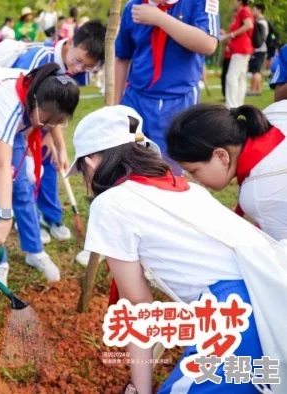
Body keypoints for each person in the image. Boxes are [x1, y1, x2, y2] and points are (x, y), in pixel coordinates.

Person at [68, 105, 269, 394]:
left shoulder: (110, 204)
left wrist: (141, 389)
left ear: (91, 161)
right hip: (265, 297)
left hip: (233, 314)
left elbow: (139, 307)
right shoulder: (186, 188)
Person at [0, 63, 79, 290]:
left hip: (13, 127)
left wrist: (60, 146)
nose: (49, 126)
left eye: (55, 123)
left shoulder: (43, 95)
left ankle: (35, 251)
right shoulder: (11, 103)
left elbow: (52, 117)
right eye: (46, 121)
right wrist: (5, 218)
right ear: (34, 102)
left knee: (22, 189)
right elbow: (3, 166)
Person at [11, 21, 105, 251]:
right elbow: (18, 101)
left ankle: (51, 216)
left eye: (89, 66)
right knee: (25, 171)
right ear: (71, 43)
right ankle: (29, 218)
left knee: (50, 162)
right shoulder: (37, 58)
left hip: (44, 119)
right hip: (17, 120)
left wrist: (55, 141)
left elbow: (62, 104)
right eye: (79, 60)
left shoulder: (79, 70)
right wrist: (35, 134)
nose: (80, 68)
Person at [114, 0, 219, 165]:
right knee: (129, 161)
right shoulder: (133, 7)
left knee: (169, 167)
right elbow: (122, 57)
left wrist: (159, 18)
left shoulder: (199, 2)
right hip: (136, 100)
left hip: (178, 102)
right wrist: (116, 105)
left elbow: (208, 44)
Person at [167, 102, 287, 241]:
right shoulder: (276, 112)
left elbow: (282, 257)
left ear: (221, 156)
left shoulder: (259, 195)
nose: (195, 180)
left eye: (193, 171)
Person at [221, 0, 254, 108]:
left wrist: (232, 35)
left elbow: (249, 25)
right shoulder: (242, 12)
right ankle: (238, 103)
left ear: (240, 1)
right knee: (240, 77)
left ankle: (231, 104)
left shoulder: (244, 11)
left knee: (231, 76)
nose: (233, 3)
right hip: (242, 48)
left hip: (241, 49)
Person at [247, 3, 268, 96]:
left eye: (254, 9)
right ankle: (258, 90)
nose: (252, 11)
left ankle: (253, 90)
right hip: (261, 49)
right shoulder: (262, 22)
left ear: (259, 10)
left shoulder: (261, 22)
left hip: (259, 49)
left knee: (255, 70)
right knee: (257, 70)